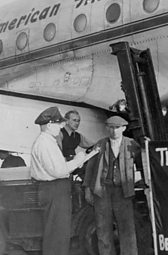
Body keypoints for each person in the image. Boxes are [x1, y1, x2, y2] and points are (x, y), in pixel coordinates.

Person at [30, 106, 86, 255]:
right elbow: (59, 171)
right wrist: (79, 159)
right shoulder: (46, 143)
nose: (62, 126)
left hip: (53, 189)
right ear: (49, 125)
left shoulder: (47, 141)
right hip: (55, 189)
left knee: (56, 232)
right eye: (58, 123)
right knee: (57, 233)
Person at [83, 116, 140, 255]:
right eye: (111, 128)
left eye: (117, 128)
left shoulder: (132, 144)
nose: (114, 131)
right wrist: (87, 190)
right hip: (102, 192)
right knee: (103, 230)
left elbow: (143, 162)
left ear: (124, 128)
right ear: (107, 128)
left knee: (127, 230)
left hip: (123, 192)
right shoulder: (100, 144)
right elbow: (90, 168)